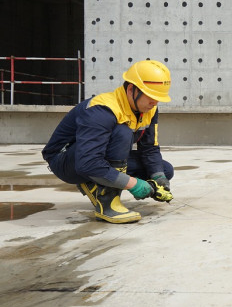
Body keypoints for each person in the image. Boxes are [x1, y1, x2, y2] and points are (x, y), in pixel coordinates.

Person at [42, 60, 174, 224]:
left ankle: (93, 182)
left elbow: (149, 148)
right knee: (123, 131)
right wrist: (133, 184)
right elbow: (87, 162)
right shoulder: (102, 110)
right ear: (132, 89)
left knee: (165, 169)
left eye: (158, 98)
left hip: (93, 158)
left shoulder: (149, 109)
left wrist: (159, 178)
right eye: (151, 96)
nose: (155, 102)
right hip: (66, 161)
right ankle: (108, 203)